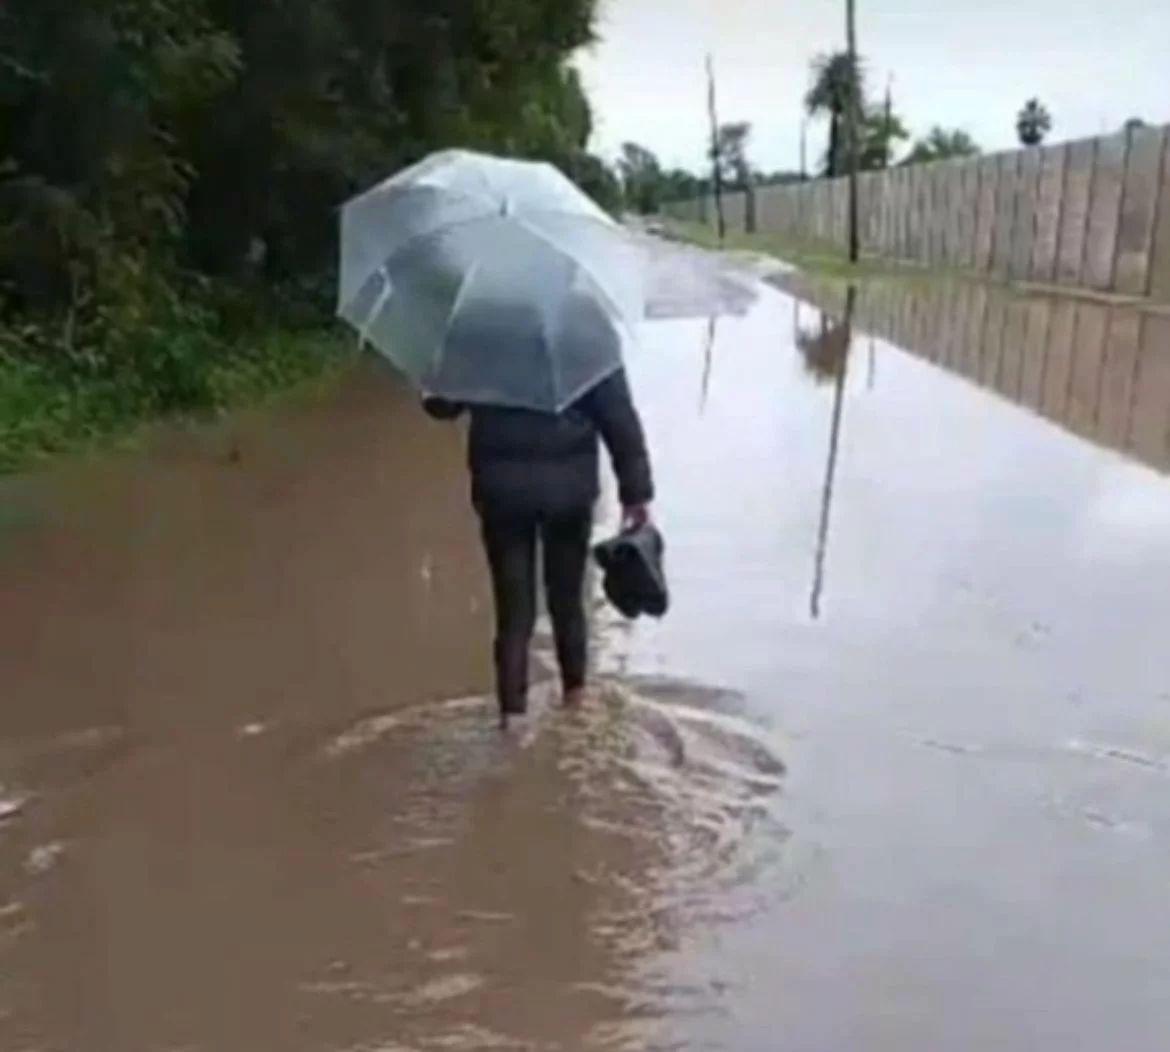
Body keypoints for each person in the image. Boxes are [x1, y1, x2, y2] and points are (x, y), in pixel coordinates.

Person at [424, 368, 653, 726]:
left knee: (513, 613)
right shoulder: (588, 346)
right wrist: (635, 493)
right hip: (569, 494)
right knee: (567, 602)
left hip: (502, 495)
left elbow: (442, 406)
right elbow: (619, 418)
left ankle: (511, 721)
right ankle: (575, 703)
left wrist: (432, 379)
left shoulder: (481, 344)